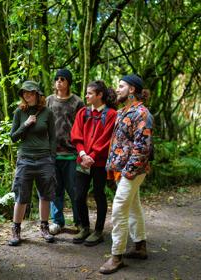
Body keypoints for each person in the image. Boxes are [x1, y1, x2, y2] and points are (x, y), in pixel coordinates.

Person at [99, 74, 153, 274]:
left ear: (132, 90)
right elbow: (118, 143)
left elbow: (142, 147)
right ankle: (140, 246)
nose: (117, 88)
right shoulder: (123, 112)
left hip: (133, 170)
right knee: (133, 207)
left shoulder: (142, 113)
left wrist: (128, 172)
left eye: (121, 86)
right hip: (122, 170)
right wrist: (113, 170)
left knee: (119, 209)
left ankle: (116, 256)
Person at [8, 81, 57, 246]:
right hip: (25, 159)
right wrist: (26, 124)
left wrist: (51, 158)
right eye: (24, 93)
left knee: (45, 194)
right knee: (21, 195)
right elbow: (13, 137)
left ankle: (44, 227)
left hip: (44, 159)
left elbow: (53, 137)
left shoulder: (47, 113)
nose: (26, 95)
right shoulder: (19, 112)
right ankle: (16, 230)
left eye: (30, 92)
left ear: (37, 94)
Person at [71, 80, 117, 246]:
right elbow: (76, 135)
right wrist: (84, 155)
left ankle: (98, 231)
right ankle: (84, 227)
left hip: (99, 163)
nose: (86, 96)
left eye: (90, 93)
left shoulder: (111, 114)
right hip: (83, 161)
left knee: (99, 194)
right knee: (78, 196)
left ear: (100, 95)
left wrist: (93, 155)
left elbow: (107, 139)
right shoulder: (83, 112)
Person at [46, 69, 84, 235]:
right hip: (52, 153)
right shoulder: (48, 101)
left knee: (74, 189)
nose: (59, 82)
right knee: (56, 189)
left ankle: (80, 221)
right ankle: (57, 221)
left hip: (72, 153)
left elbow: (83, 126)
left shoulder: (77, 102)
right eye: (57, 79)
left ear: (68, 82)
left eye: (62, 79)